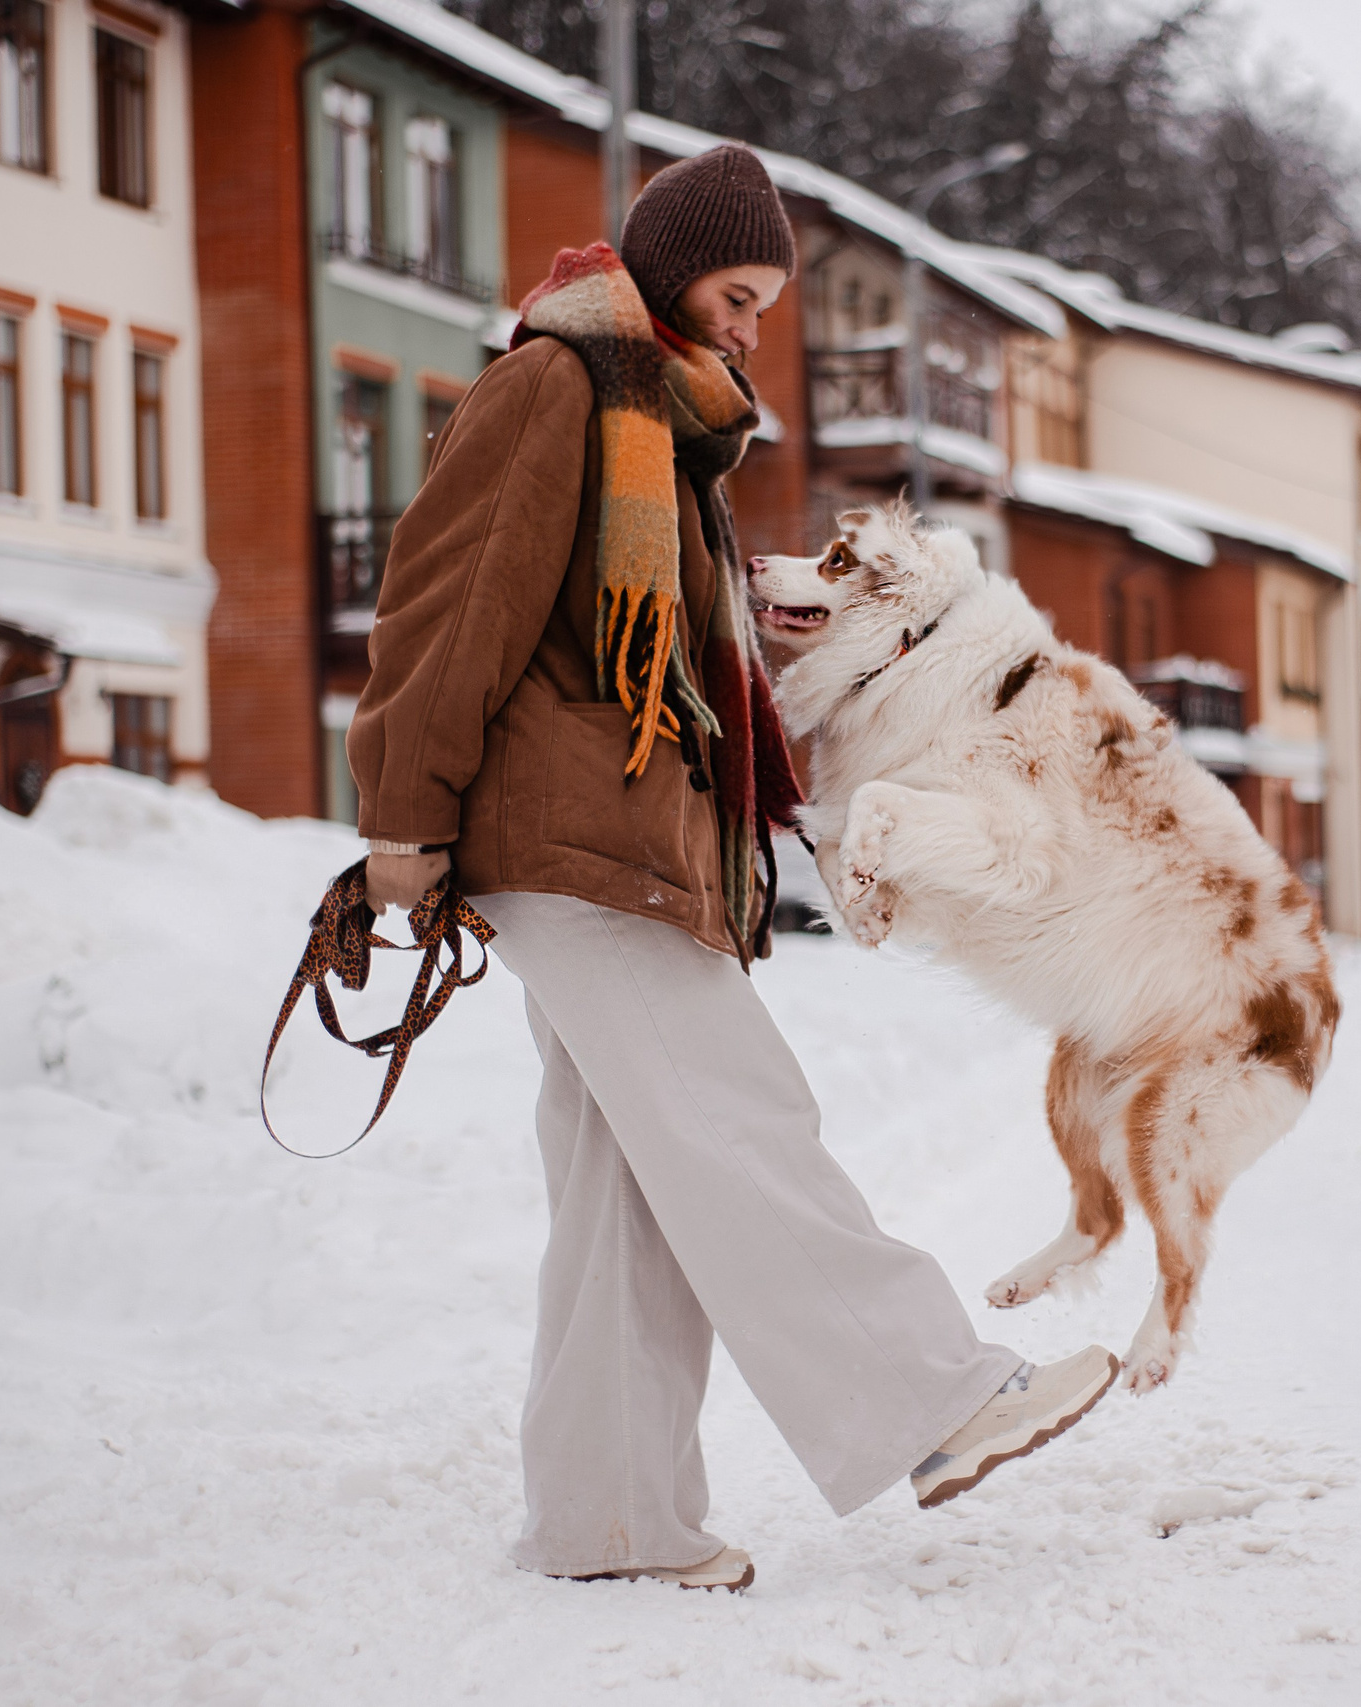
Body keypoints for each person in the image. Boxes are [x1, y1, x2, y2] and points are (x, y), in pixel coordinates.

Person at [346, 144, 1115, 1593]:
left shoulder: (661, 424)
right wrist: (405, 814)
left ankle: (609, 1522)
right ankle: (931, 1399)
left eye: (768, 301)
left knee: (624, 1187)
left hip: (617, 840)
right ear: (672, 262)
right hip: (571, 843)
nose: (756, 327)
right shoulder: (559, 388)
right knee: (737, 1113)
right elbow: (444, 604)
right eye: (741, 290)